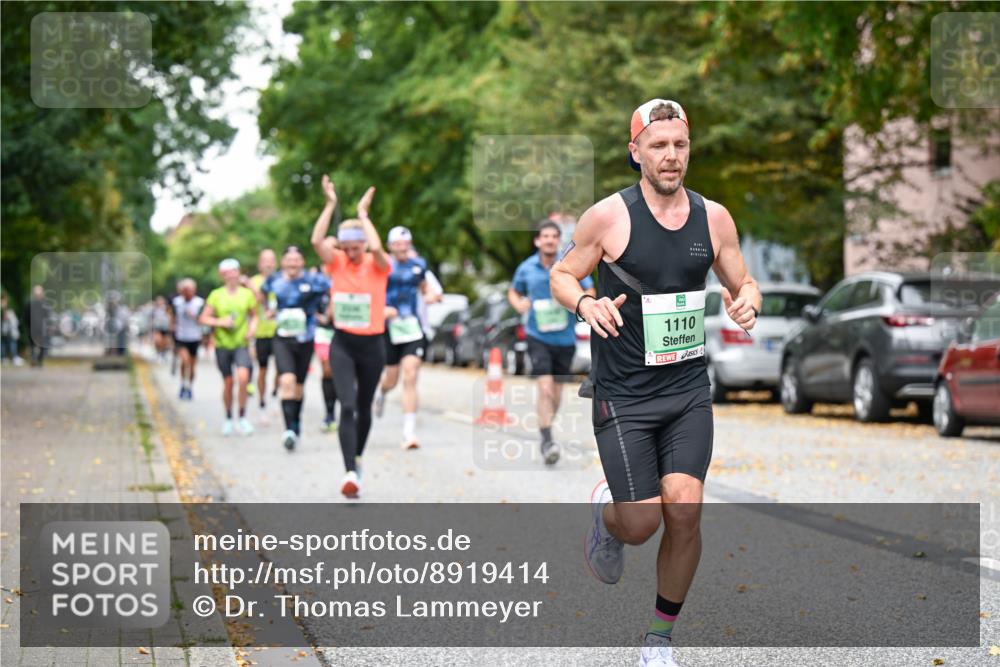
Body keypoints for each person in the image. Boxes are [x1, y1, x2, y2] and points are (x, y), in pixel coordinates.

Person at [550, 99, 761, 667]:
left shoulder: (713, 218)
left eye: (680, 145)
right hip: (624, 393)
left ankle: (658, 640)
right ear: (635, 151)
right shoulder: (607, 217)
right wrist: (587, 303)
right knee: (642, 522)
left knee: (685, 510)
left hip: (688, 390)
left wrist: (747, 301)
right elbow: (562, 275)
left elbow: (743, 280)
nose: (671, 156)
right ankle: (608, 517)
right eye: (659, 146)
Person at [311, 175, 391, 498]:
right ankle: (349, 472)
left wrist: (363, 215)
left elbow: (376, 247)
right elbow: (317, 240)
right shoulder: (337, 263)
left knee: (363, 406)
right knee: (346, 406)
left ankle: (357, 456)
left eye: (357, 247)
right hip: (343, 342)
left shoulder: (378, 265)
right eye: (347, 247)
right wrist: (330, 204)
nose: (353, 252)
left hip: (373, 345)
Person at [509, 220, 595, 465]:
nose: (549, 240)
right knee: (545, 388)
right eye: (544, 236)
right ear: (537, 240)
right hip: (538, 336)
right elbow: (514, 291)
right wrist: (519, 304)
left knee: (556, 393)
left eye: (553, 236)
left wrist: (581, 302)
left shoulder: (569, 265)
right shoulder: (526, 268)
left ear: (558, 240)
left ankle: (546, 428)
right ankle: (547, 441)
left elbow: (589, 290)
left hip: (564, 339)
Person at [373, 227, 442, 450]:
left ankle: (409, 432)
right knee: (391, 379)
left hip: (413, 329)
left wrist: (431, 296)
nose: (402, 248)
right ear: (391, 246)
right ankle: (382, 392)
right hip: (390, 329)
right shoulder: (383, 266)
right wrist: (382, 310)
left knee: (410, 376)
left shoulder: (418, 265)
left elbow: (425, 288)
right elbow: (372, 293)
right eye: (397, 244)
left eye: (406, 244)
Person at [260, 246, 331, 451]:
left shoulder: (313, 280)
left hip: (306, 337)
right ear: (283, 263)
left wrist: (325, 314)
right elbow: (262, 294)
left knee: (299, 385)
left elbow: (333, 289)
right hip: (283, 337)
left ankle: (296, 421)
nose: (292, 264)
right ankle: (288, 430)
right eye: (289, 260)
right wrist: (268, 310)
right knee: (287, 380)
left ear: (302, 262)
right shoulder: (274, 280)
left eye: (296, 260)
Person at [200, 259, 258, 436]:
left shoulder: (246, 294)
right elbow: (203, 318)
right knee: (228, 382)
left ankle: (242, 417)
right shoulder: (216, 295)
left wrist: (251, 330)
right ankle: (227, 418)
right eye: (229, 272)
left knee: (243, 378)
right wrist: (220, 322)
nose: (233, 275)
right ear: (222, 275)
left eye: (236, 271)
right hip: (222, 345)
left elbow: (255, 315)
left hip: (241, 343)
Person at [249, 249, 280, 417]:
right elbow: (251, 307)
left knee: (281, 369)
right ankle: (262, 402)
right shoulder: (254, 282)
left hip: (280, 331)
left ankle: (275, 394)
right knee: (262, 369)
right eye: (265, 260)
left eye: (271, 260)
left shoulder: (282, 279)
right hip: (261, 332)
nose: (268, 263)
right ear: (260, 263)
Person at [313, 267, 338, 432]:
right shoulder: (317, 283)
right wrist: (320, 317)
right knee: (328, 369)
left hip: (344, 331)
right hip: (323, 332)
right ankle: (330, 413)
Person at [172, 279, 205, 400]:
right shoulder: (176, 302)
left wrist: (195, 317)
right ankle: (182, 384)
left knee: (192, 366)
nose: (187, 292)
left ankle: (189, 387)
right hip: (181, 337)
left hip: (195, 337)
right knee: (185, 361)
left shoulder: (200, 303)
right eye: (185, 290)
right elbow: (172, 317)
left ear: (194, 290)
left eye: (189, 290)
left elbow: (203, 319)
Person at [25, 285, 50, 367]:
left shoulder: (30, 303)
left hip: (34, 328)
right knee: (39, 346)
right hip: (39, 328)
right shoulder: (44, 304)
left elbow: (26, 317)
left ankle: (35, 360)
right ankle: (38, 361)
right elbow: (47, 316)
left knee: (34, 346)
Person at [1, 293, 23, 365]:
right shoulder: (3, 307)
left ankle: (5, 358)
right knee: (11, 343)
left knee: (5, 343)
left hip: (6, 329)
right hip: (7, 329)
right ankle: (13, 357)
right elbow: (7, 318)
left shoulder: (5, 307)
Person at [151, 296, 172, 362]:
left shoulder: (167, 308)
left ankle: (163, 353)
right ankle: (158, 353)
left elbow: (170, 317)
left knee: (165, 342)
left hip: (166, 327)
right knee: (158, 341)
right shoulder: (154, 309)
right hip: (157, 327)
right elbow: (152, 318)